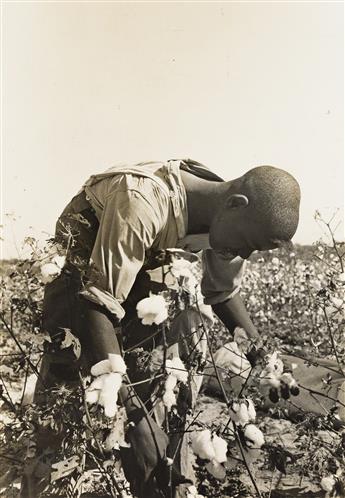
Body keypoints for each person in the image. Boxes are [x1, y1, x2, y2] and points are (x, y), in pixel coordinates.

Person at [22, 159, 301, 498]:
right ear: (235, 205)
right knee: (66, 387)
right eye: (247, 243)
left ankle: (167, 476)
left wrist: (264, 359)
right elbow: (97, 301)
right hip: (86, 259)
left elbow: (222, 292)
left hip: (143, 262)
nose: (245, 253)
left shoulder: (228, 219)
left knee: (174, 357)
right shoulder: (141, 201)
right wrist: (133, 418)